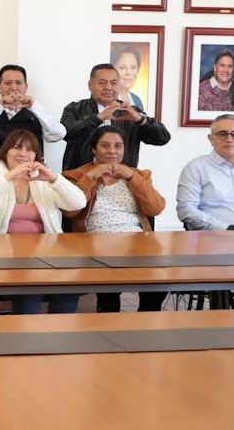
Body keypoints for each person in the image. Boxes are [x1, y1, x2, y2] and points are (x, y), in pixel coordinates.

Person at [0, 130, 87, 314]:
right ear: (5, 152)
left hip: (47, 252)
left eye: (30, 149)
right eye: (17, 147)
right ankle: (28, 334)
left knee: (68, 288)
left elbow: (79, 203)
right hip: (3, 254)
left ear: (36, 156)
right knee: (30, 288)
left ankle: (59, 334)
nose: (23, 153)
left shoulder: (43, 179)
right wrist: (10, 176)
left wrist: (53, 178)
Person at [63, 126, 167, 313]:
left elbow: (156, 208)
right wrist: (91, 176)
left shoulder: (138, 174)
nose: (112, 151)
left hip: (136, 241)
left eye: (118, 146)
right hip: (96, 241)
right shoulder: (75, 175)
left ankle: (145, 320)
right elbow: (69, 211)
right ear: (94, 149)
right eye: (105, 146)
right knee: (109, 285)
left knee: (159, 282)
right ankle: (109, 319)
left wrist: (131, 177)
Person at [177, 114, 234, 308]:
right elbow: (186, 210)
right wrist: (228, 229)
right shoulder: (196, 168)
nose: (230, 139)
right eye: (222, 134)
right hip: (218, 241)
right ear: (211, 139)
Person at [61, 63, 170, 171]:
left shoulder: (130, 111)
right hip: (80, 179)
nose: (108, 87)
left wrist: (141, 120)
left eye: (113, 83)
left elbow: (162, 138)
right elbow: (66, 133)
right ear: (90, 85)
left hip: (122, 180)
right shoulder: (74, 109)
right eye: (102, 83)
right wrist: (98, 118)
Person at [0, 65, 66, 160]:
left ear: (26, 87)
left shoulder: (36, 113)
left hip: (29, 171)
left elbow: (58, 134)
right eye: (8, 83)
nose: (13, 87)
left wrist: (34, 106)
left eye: (18, 83)